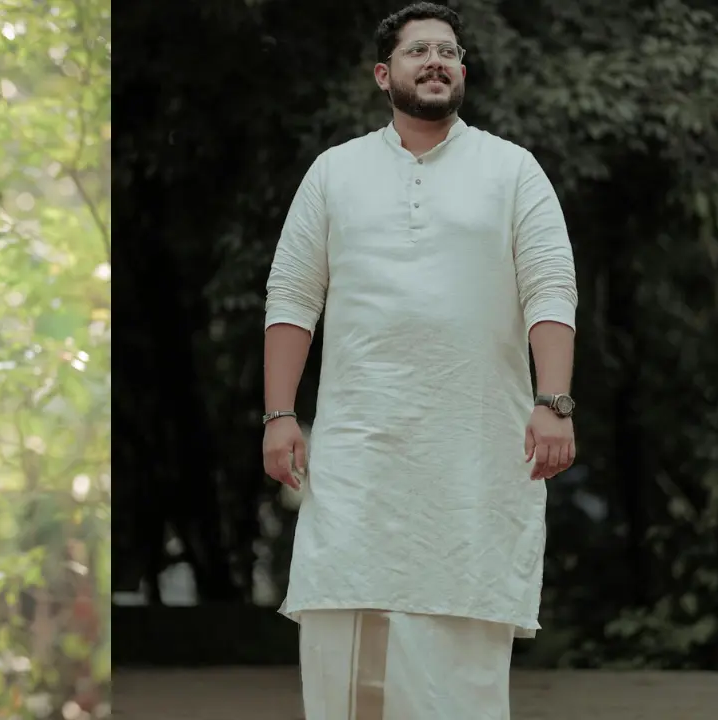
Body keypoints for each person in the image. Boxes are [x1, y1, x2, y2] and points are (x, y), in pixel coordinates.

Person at [261, 2, 578, 718]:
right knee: (347, 611)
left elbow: (551, 288)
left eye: (448, 51)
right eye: (417, 51)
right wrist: (280, 414)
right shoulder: (334, 172)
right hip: (359, 448)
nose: (436, 60)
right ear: (384, 74)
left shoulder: (512, 170)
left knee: (460, 639)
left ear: (461, 71)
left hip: (476, 448)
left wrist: (553, 401)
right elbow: (291, 296)